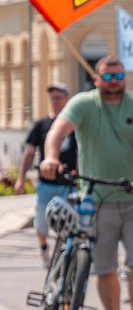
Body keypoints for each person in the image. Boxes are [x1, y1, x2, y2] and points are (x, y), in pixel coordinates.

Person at [42, 56, 133, 310]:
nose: (113, 82)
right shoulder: (84, 103)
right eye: (106, 77)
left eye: (118, 76)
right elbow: (57, 131)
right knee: (104, 266)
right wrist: (51, 157)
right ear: (96, 79)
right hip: (96, 198)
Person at [21, 84, 77, 266]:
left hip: (68, 183)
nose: (56, 101)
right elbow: (29, 152)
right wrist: (20, 179)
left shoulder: (75, 125)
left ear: (67, 99)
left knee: (66, 223)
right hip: (46, 184)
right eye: (53, 97)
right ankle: (44, 246)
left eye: (59, 97)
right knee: (42, 224)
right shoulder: (41, 125)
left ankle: (59, 254)